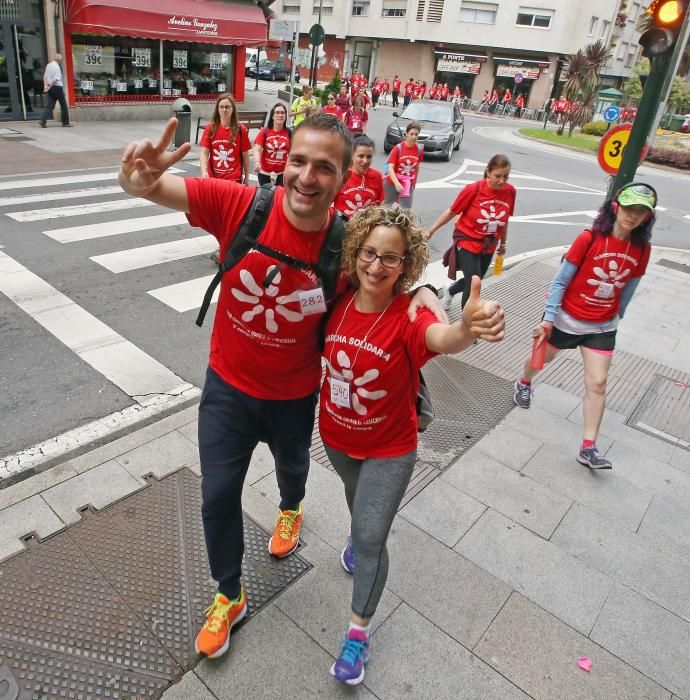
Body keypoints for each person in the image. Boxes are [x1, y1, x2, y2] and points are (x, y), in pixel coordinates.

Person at [117, 113, 443, 660]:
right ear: (282, 161)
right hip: (227, 388)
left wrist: (430, 290)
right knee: (217, 494)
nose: (306, 176)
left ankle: (291, 506)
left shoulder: (344, 246)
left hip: (294, 396)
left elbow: (396, 275)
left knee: (294, 468)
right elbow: (153, 186)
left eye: (323, 167)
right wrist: (137, 179)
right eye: (298, 160)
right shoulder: (243, 206)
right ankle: (229, 593)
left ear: (342, 180)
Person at [322, 204, 505, 685]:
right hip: (337, 440)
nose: (376, 266)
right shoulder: (338, 297)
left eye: (391, 259)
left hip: (390, 447)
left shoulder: (406, 315)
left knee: (371, 537)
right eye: (369, 253)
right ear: (355, 251)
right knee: (357, 508)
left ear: (406, 264)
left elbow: (442, 336)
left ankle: (357, 635)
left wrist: (467, 327)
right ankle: (358, 534)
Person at [513, 183, 657, 470]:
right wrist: (548, 318)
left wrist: (619, 314)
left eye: (640, 211)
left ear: (646, 217)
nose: (632, 215)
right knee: (539, 362)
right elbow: (560, 281)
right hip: (567, 318)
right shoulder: (589, 238)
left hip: (602, 327)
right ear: (616, 207)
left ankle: (588, 447)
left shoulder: (642, 249)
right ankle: (524, 382)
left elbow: (630, 285)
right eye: (629, 208)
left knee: (598, 383)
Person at [424, 154, 516, 310]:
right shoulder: (474, 189)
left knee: (475, 279)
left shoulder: (510, 191)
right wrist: (431, 230)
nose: (501, 181)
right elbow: (451, 212)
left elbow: (504, 219)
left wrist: (503, 243)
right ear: (488, 172)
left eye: (505, 176)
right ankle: (466, 326)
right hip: (467, 240)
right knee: (475, 283)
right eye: (497, 176)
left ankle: (450, 290)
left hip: (489, 244)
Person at [199, 94, 251, 183]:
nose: (224, 110)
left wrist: (246, 177)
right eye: (221, 107)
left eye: (227, 107)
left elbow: (245, 156)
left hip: (233, 179)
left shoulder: (240, 130)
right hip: (214, 178)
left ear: (232, 109)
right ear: (217, 109)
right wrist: (204, 172)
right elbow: (204, 153)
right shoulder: (210, 128)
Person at [333, 134, 384, 219]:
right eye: (361, 156)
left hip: (366, 227)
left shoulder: (377, 176)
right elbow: (326, 205)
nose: (365, 161)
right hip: (342, 226)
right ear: (352, 155)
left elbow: (379, 204)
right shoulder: (341, 175)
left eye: (369, 157)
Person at [383, 122, 423, 208]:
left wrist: (414, 183)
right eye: (411, 134)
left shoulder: (419, 149)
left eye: (416, 134)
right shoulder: (398, 148)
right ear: (406, 134)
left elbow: (417, 167)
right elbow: (390, 168)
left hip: (408, 184)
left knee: (406, 211)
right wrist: (396, 183)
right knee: (386, 208)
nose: (414, 137)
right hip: (392, 183)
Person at [252, 103, 290, 186]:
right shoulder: (265, 131)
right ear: (272, 116)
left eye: (283, 113)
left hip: (282, 173)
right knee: (266, 197)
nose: (280, 115)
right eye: (277, 112)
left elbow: (293, 152)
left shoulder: (289, 132)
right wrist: (257, 162)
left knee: (279, 197)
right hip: (265, 173)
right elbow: (257, 149)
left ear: (286, 116)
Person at [39, 53, 71, 128]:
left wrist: (46, 86)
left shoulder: (48, 65)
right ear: (59, 60)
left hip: (51, 88)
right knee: (64, 105)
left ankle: (43, 120)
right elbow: (56, 79)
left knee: (50, 105)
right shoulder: (57, 67)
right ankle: (65, 123)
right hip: (57, 88)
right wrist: (49, 87)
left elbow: (45, 76)